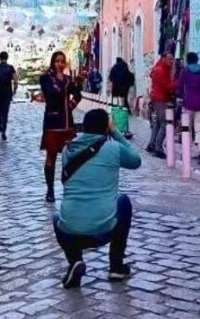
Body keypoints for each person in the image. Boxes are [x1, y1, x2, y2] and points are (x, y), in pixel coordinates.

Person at [52, 107, 141, 289]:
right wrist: (115, 132)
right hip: (104, 228)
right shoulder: (113, 149)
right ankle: (116, 265)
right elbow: (135, 160)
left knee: (56, 217)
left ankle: (75, 260)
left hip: (70, 231)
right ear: (105, 128)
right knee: (123, 202)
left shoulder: (68, 149)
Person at [40, 50, 82, 204]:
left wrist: (71, 105)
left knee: (69, 157)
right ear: (53, 62)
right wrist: (63, 85)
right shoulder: (46, 79)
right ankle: (50, 189)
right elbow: (50, 93)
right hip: (52, 122)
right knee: (51, 156)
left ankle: (69, 187)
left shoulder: (68, 80)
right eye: (57, 61)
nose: (60, 64)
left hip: (66, 122)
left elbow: (78, 95)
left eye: (62, 61)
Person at [176, 51, 200, 143]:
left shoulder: (184, 71)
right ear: (197, 60)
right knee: (199, 128)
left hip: (188, 103)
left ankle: (187, 148)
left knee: (186, 127)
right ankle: (199, 148)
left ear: (187, 61)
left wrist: (179, 95)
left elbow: (179, 86)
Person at [145, 49, 176, 159]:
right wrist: (176, 84)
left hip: (157, 98)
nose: (171, 61)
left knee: (158, 123)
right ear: (163, 59)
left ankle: (151, 144)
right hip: (161, 99)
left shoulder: (159, 68)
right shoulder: (162, 70)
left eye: (172, 59)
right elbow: (167, 86)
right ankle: (158, 148)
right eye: (169, 59)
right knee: (164, 123)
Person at [0, 50, 18, 140]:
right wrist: (14, 90)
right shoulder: (10, 68)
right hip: (7, 93)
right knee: (5, 113)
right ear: (7, 58)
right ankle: (4, 131)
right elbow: (16, 80)